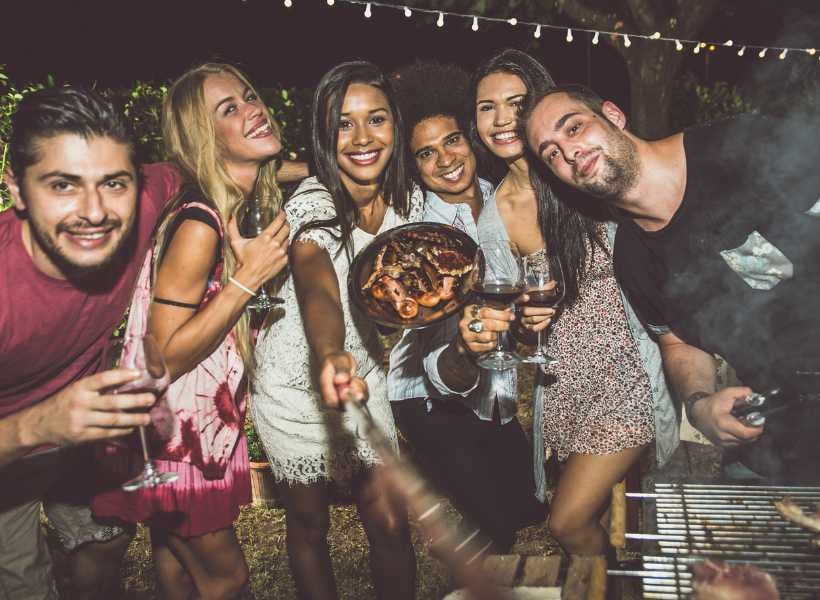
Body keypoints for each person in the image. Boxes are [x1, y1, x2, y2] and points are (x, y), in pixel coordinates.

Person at [524, 84, 820, 483]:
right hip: (780, 450)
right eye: (551, 154)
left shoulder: (746, 147)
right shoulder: (632, 260)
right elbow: (676, 343)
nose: (568, 152)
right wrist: (699, 405)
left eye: (574, 128)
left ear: (614, 115)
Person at [90, 63, 290, 600]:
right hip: (175, 438)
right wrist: (248, 281)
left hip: (170, 430)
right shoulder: (201, 223)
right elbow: (165, 353)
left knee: (177, 574)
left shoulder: (224, 210)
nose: (254, 109)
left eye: (249, 96)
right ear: (206, 137)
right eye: (230, 109)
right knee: (228, 580)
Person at [466, 49, 677, 555]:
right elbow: (512, 322)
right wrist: (517, 319)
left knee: (567, 521)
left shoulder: (583, 172)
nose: (501, 120)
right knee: (599, 515)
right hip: (562, 382)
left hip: (627, 374)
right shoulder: (494, 215)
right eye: (486, 107)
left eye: (516, 103)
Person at [0, 86, 182, 600]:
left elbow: (199, 167)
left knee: (105, 546)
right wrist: (39, 423)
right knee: (23, 583)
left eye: (114, 183)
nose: (95, 212)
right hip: (9, 447)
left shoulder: (144, 201)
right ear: (17, 189)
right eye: (63, 185)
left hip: (81, 439)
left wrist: (310, 172)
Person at [251, 61, 417, 600]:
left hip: (364, 377)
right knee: (308, 525)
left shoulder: (408, 205)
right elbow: (316, 282)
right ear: (324, 134)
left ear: (397, 124)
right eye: (344, 124)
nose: (363, 138)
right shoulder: (313, 202)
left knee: (391, 521)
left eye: (377, 119)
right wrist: (328, 352)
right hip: (296, 383)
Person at [388, 60, 547, 553]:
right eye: (425, 154)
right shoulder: (416, 221)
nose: (444, 159)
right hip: (427, 393)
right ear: (413, 165)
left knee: (528, 506)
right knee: (495, 523)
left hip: (490, 383)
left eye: (452, 140)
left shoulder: (498, 199)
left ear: (470, 140)